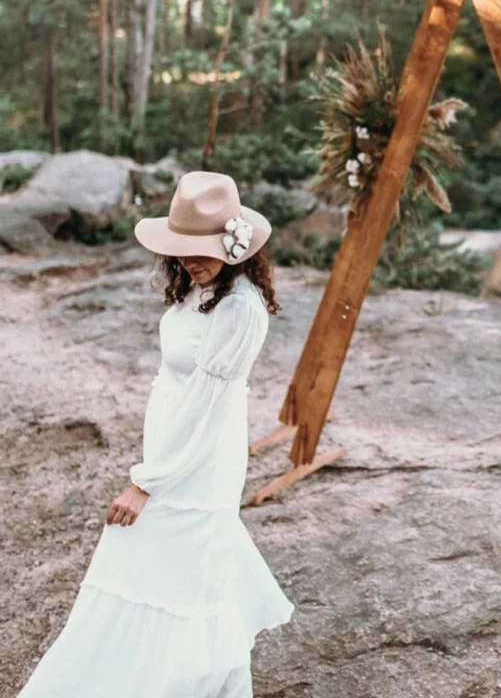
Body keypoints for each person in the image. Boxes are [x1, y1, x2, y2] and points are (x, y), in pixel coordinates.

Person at [16, 170, 295, 698]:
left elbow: (207, 406)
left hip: (200, 455)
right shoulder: (198, 289)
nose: (191, 259)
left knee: (180, 565)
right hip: (171, 442)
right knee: (159, 564)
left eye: (204, 247)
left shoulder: (240, 309)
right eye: (182, 247)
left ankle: (196, 681)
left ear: (235, 248)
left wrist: (147, 481)